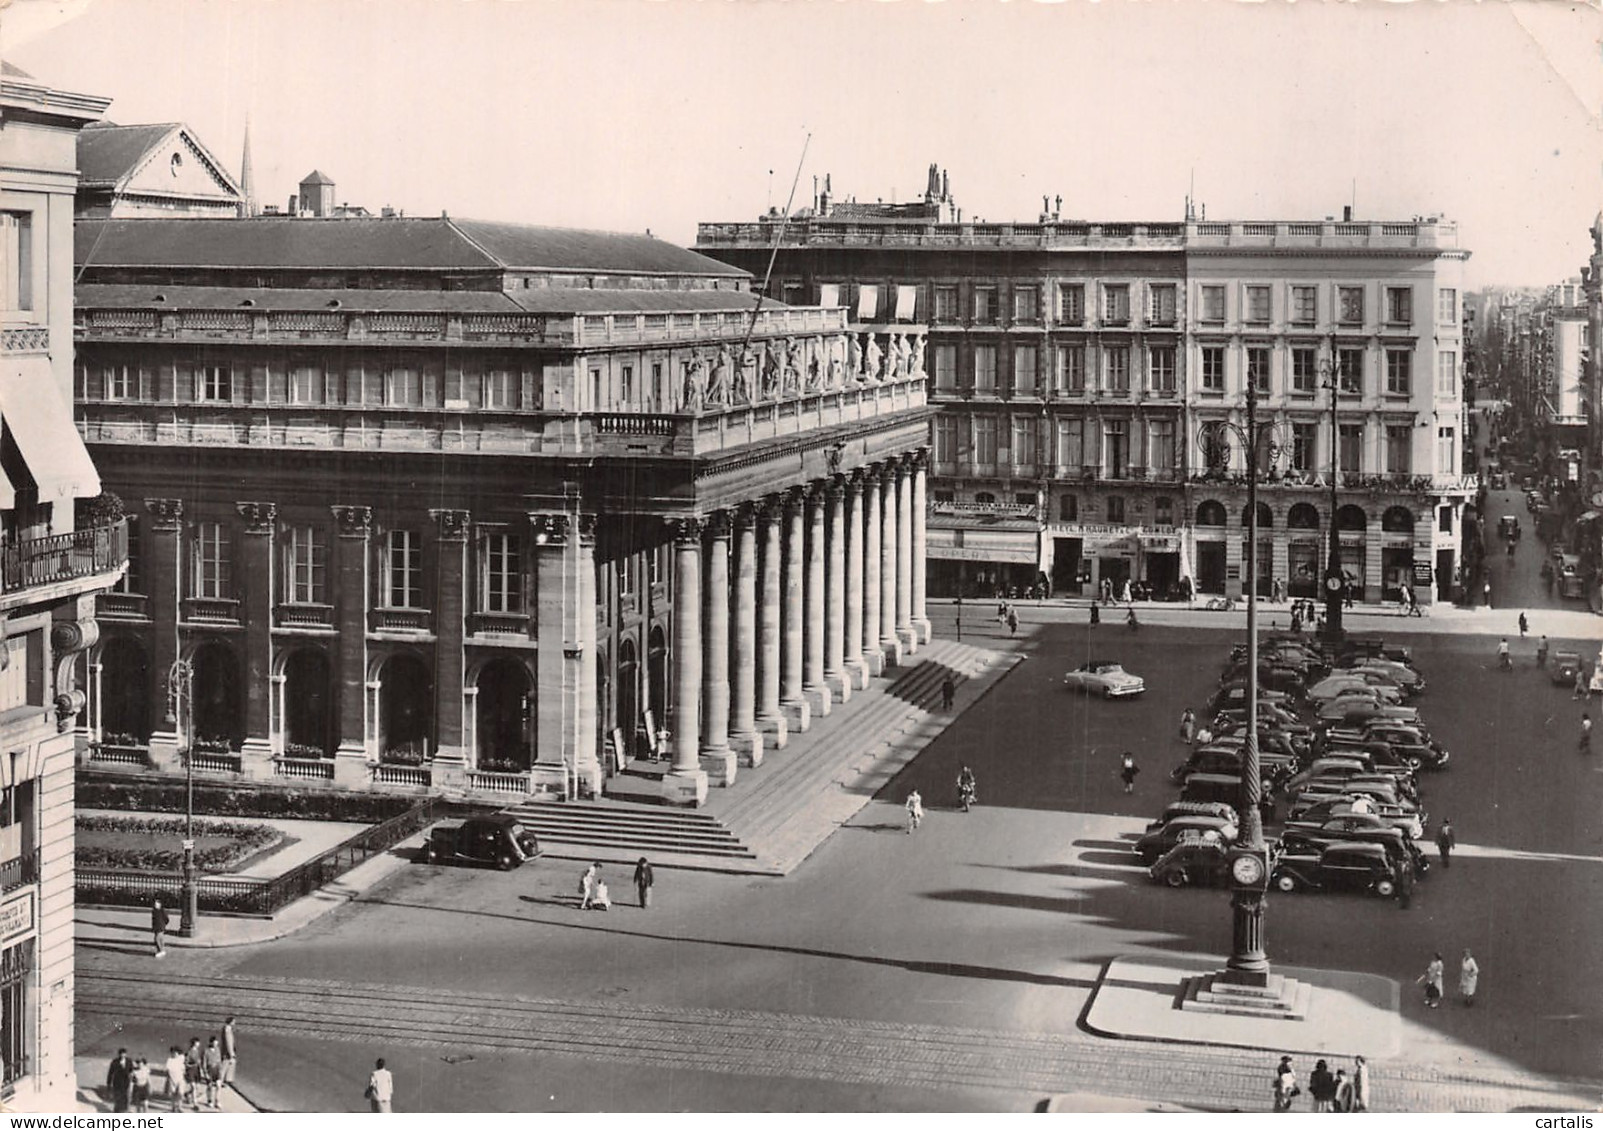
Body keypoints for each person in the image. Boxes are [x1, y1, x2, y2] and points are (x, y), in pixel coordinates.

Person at [105, 1048, 134, 1113]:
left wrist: (131, 1077)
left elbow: (131, 1070)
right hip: (117, 1082)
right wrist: (108, 1083)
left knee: (124, 1096)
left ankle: (124, 1110)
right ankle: (117, 1110)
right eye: (121, 1054)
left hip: (126, 1082)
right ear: (119, 1054)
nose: (122, 1055)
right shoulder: (115, 1061)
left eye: (124, 1054)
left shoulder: (129, 1061)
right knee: (117, 1096)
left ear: (126, 1054)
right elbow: (110, 1072)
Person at [163, 1046, 187, 1113]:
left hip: (180, 1079)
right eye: (173, 1053)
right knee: (173, 1094)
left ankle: (180, 1107)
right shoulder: (169, 1060)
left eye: (176, 1053)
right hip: (172, 1079)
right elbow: (166, 1070)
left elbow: (183, 1057)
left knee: (180, 1093)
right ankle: (174, 1107)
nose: (175, 1054)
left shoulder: (181, 1059)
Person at [202, 1036, 223, 1109]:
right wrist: (205, 1073)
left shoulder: (218, 1050)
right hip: (210, 1069)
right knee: (209, 1086)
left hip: (217, 1069)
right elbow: (204, 1063)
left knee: (218, 1085)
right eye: (214, 1042)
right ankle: (209, 1100)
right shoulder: (206, 1051)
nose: (216, 1044)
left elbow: (219, 1060)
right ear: (211, 1042)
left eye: (216, 1042)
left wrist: (220, 1071)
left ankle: (217, 1101)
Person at [183, 1037, 202, 1108]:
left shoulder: (197, 1051)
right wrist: (193, 1064)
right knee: (193, 1087)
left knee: (196, 1087)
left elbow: (199, 1061)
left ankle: (188, 1094)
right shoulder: (189, 1052)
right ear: (194, 1043)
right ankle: (195, 1104)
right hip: (190, 1071)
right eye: (197, 1042)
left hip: (197, 1070)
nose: (199, 1044)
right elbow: (186, 1063)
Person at [220, 1016, 238, 1088]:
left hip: (227, 1051)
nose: (234, 1023)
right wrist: (231, 1053)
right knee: (225, 1066)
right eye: (233, 1021)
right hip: (227, 1051)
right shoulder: (227, 1029)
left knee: (228, 1065)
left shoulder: (227, 1029)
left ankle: (226, 1080)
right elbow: (228, 1042)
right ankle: (222, 1080)